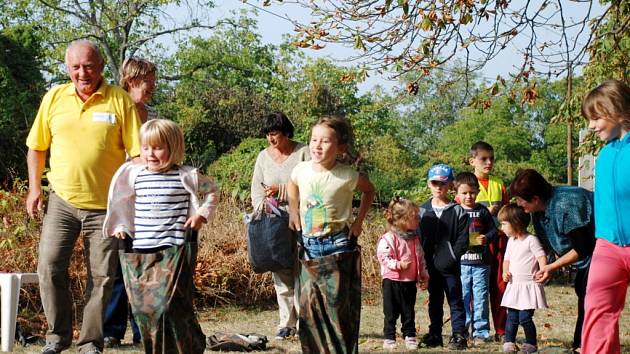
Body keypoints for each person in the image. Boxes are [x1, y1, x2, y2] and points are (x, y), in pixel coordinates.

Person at [25, 40, 142, 354]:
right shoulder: (54, 97)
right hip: (61, 202)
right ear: (67, 68)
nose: (82, 72)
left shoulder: (119, 100)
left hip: (106, 207)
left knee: (102, 277)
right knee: (49, 267)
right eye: (76, 66)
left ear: (101, 67)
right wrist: (35, 188)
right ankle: (56, 337)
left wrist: (129, 201)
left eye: (89, 66)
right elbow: (36, 147)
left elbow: (137, 155)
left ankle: (90, 341)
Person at [103, 119, 218, 353]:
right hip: (142, 251)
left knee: (168, 306)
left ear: (173, 147)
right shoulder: (135, 175)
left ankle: (189, 344)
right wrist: (120, 226)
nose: (150, 154)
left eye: (157, 148)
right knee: (144, 309)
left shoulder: (186, 175)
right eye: (146, 148)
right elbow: (120, 203)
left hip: (173, 250)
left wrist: (201, 216)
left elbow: (212, 191)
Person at [287, 115, 375, 353]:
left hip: (338, 244)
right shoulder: (301, 170)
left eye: (325, 141)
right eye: (314, 139)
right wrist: (293, 212)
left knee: (336, 304)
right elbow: (291, 185)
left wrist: (358, 222)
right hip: (309, 245)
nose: (317, 145)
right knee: (310, 306)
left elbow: (369, 191)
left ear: (340, 148)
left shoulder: (347, 175)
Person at [102, 57, 159, 348]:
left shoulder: (148, 113)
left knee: (143, 265)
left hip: (146, 201)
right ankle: (111, 329)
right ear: (135, 79)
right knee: (116, 267)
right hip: (119, 198)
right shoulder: (115, 105)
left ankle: (141, 328)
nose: (153, 85)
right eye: (150, 79)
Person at [510, 169, 596, 353]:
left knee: (588, 295)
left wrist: (552, 267)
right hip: (585, 256)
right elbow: (556, 246)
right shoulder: (538, 211)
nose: (517, 204)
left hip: (602, 250)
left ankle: (583, 345)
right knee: (583, 291)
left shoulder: (567, 203)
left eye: (520, 199)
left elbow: (583, 247)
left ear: (535, 198)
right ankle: (580, 344)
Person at [580, 80, 630, 354]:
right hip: (608, 246)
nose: (591, 125)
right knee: (597, 313)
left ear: (618, 111)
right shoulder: (605, 154)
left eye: (596, 117)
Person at [250, 112, 309, 340]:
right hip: (274, 224)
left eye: (274, 133)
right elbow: (256, 188)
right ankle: (286, 323)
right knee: (281, 271)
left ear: (286, 132)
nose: (270, 139)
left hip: (302, 220)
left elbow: (310, 183)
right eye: (267, 134)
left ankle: (305, 321)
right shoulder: (263, 157)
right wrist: (263, 207)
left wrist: (281, 190)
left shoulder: (303, 152)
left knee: (302, 271)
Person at [419, 164, 469, 350]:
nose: (438, 187)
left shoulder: (459, 211)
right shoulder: (421, 211)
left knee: (455, 301)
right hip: (430, 267)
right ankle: (435, 334)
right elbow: (418, 240)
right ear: (428, 184)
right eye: (434, 183)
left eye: (443, 183)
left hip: (450, 267)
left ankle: (459, 335)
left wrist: (451, 258)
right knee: (435, 301)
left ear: (450, 185)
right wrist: (421, 264)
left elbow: (463, 241)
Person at [468, 141, 509, 342]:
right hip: (475, 242)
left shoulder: (499, 184)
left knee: (500, 285)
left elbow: (509, 214)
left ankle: (501, 330)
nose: (489, 162)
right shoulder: (465, 184)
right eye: (484, 158)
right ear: (472, 161)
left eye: (492, 158)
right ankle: (477, 331)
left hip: (499, 241)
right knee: (477, 287)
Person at [377, 197, 429, 351]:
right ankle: (389, 337)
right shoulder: (388, 238)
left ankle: (410, 335)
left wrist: (423, 275)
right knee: (390, 312)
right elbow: (383, 257)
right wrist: (398, 265)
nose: (418, 219)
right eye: (415, 217)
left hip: (409, 281)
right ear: (403, 220)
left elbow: (420, 258)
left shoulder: (414, 239)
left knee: (408, 311)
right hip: (392, 281)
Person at [454, 172, 497, 345]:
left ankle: (481, 331)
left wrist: (486, 237)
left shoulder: (482, 211)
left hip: (481, 263)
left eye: (472, 192)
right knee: (463, 296)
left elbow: (494, 231)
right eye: (464, 193)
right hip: (461, 264)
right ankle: (462, 330)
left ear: (477, 192)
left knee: (480, 297)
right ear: (457, 194)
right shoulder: (454, 211)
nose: (468, 196)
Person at [498, 203, 548, 354]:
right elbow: (507, 260)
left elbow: (541, 257)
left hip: (528, 285)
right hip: (514, 285)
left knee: (525, 317)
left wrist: (543, 270)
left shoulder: (531, 240)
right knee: (512, 316)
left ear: (516, 223)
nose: (502, 228)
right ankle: (509, 342)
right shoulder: (511, 242)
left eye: (504, 224)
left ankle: (531, 344)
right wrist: (505, 272)